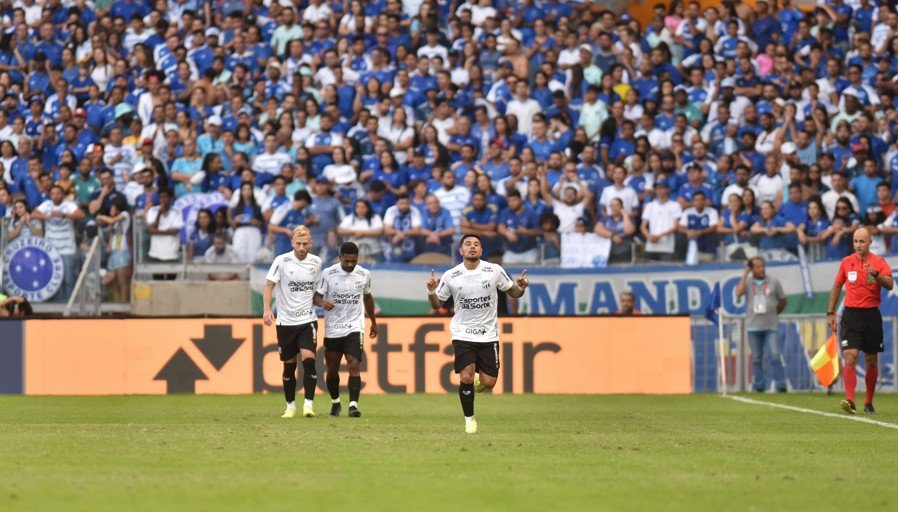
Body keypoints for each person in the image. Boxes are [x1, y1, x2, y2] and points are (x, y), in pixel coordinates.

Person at [425, 234, 529, 434]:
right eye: (467, 244)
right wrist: (431, 292)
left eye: (476, 245)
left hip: (488, 335)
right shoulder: (451, 275)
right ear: (461, 251)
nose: (472, 247)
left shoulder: (494, 271)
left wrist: (522, 287)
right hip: (462, 333)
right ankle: (469, 419)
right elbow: (437, 305)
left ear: (481, 251)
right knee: (466, 375)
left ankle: (482, 382)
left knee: (489, 383)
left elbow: (513, 292)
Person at [826, 227, 893, 415]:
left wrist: (877, 275)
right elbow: (838, 285)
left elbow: (890, 284)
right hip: (851, 315)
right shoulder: (847, 262)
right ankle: (850, 400)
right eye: (855, 241)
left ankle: (869, 401)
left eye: (862, 241)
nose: (858, 245)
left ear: (870, 242)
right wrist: (830, 312)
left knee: (871, 360)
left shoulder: (878, 262)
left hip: (871, 315)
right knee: (851, 356)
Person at [263, 225, 323, 419]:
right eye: (298, 243)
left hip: (308, 320)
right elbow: (269, 286)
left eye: (305, 244)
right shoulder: (281, 261)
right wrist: (266, 310)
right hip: (286, 322)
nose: (301, 248)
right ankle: (290, 406)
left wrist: (324, 303)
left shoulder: (316, 262)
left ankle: (308, 405)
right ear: (292, 243)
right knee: (289, 366)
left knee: (309, 362)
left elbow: (315, 292)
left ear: (311, 244)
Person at [313, 242, 377, 418]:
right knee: (332, 369)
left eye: (353, 261)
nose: (350, 264)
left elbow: (368, 297)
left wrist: (373, 320)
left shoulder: (364, 274)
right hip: (333, 328)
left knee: (354, 364)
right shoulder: (329, 274)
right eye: (347, 261)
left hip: (355, 326)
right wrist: (323, 303)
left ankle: (353, 406)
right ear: (340, 257)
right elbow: (316, 297)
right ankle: (335, 403)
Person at [735, 257, 787, 393]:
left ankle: (781, 385)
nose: (762, 269)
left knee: (775, 355)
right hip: (753, 326)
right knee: (757, 358)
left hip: (771, 326)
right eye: (758, 267)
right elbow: (738, 293)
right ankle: (759, 385)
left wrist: (774, 313)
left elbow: (783, 301)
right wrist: (744, 274)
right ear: (751, 269)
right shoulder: (747, 281)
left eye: (763, 266)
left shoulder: (773, 281)